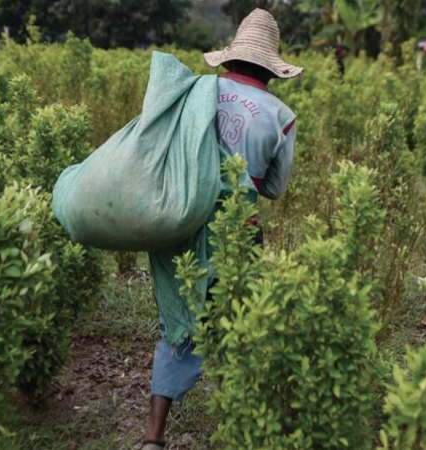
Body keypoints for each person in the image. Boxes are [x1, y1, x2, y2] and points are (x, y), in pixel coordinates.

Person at [141, 8, 303, 450]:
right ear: (272, 68)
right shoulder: (280, 115)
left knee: (178, 322)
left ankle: (154, 438)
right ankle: (240, 420)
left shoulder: (198, 91)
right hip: (237, 233)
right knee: (238, 318)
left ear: (230, 58)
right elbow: (274, 188)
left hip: (180, 222)